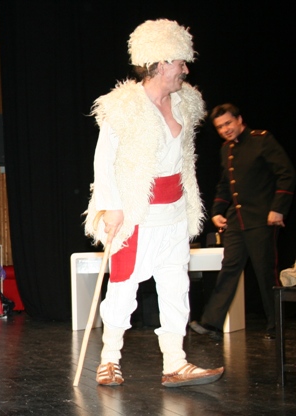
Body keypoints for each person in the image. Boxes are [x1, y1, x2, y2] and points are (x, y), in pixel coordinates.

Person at [83, 19, 223, 388]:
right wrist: (111, 207)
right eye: (180, 62)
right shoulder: (124, 107)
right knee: (123, 287)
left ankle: (175, 362)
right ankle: (109, 360)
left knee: (176, 287)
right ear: (161, 64)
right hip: (137, 215)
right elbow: (104, 161)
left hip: (175, 213)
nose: (185, 70)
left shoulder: (185, 103)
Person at [189, 103, 296, 341]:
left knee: (265, 273)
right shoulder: (226, 149)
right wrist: (218, 211)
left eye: (228, 123)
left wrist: (278, 209)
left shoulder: (261, 140)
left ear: (239, 120)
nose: (225, 129)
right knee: (229, 268)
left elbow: (286, 173)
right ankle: (212, 323)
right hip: (237, 221)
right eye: (219, 127)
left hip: (263, 218)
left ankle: (275, 326)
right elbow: (225, 184)